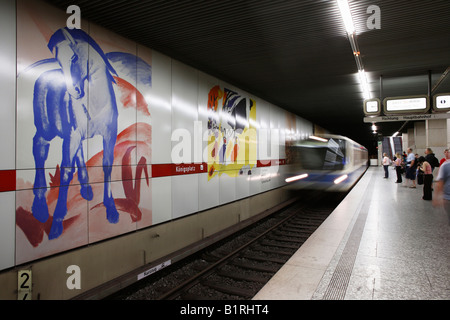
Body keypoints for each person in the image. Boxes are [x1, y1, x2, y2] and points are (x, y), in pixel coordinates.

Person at [433, 151, 450, 225]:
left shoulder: (446, 165)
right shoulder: (445, 165)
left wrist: (436, 197)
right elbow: (440, 182)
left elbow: (440, 182)